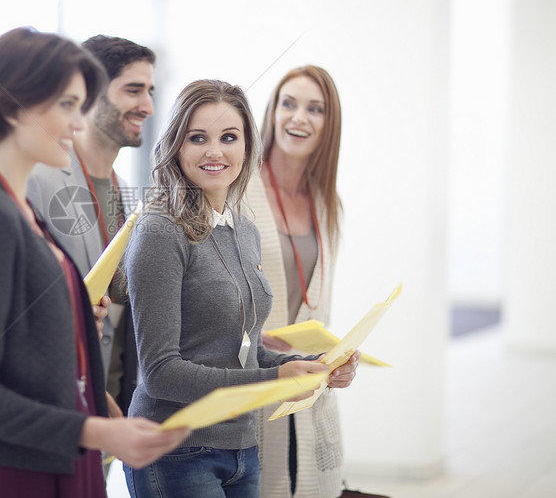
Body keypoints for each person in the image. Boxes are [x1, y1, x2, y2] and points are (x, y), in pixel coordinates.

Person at [0, 27, 188, 498]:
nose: (78, 124)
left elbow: (29, 355)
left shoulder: (14, 207)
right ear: (12, 103)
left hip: (45, 457)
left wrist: (97, 405)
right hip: (6, 473)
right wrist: (98, 432)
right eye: (66, 105)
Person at [123, 79, 359, 498]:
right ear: (177, 145)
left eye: (229, 137)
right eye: (198, 138)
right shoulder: (160, 230)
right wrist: (274, 377)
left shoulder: (244, 231)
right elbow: (160, 373)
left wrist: (315, 363)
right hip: (174, 448)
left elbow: (241, 350)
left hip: (240, 449)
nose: (215, 151)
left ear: (248, 147)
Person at [248, 66, 371, 498]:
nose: (299, 117)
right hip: (254, 394)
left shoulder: (326, 202)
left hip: (313, 400)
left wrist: (338, 358)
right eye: (289, 104)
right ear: (272, 112)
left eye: (314, 109)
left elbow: (318, 306)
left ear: (328, 124)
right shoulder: (238, 190)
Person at [27, 34, 155, 418]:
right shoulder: (37, 181)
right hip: (53, 409)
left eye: (150, 91)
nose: (147, 106)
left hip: (112, 406)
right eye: (134, 90)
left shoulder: (127, 194)